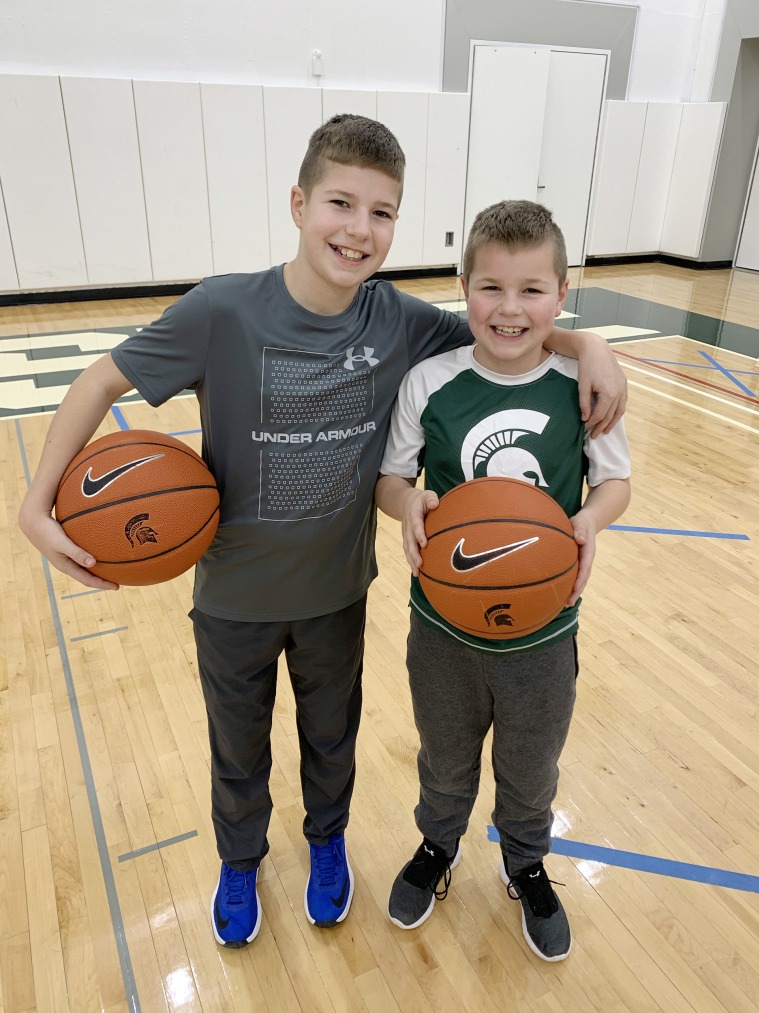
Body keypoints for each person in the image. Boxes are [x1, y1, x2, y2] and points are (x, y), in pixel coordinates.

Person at [18, 118, 627, 950]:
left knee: (329, 737)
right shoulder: (222, 308)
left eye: (382, 212)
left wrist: (589, 342)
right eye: (341, 202)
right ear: (300, 203)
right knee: (236, 746)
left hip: (336, 592)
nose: (358, 228)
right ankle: (240, 860)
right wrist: (36, 500)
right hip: (231, 594)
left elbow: (509, 329)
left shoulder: (401, 320)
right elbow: (102, 376)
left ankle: (326, 842)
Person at [375, 199, 631, 961]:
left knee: (531, 762)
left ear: (561, 295)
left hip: (547, 632)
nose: (510, 308)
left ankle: (525, 861)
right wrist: (407, 503)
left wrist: (590, 519)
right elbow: (392, 477)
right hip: (443, 624)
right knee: (444, 753)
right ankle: (438, 846)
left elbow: (615, 484)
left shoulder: (583, 386)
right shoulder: (431, 382)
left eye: (531, 290)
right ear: (463, 287)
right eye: (490, 287)